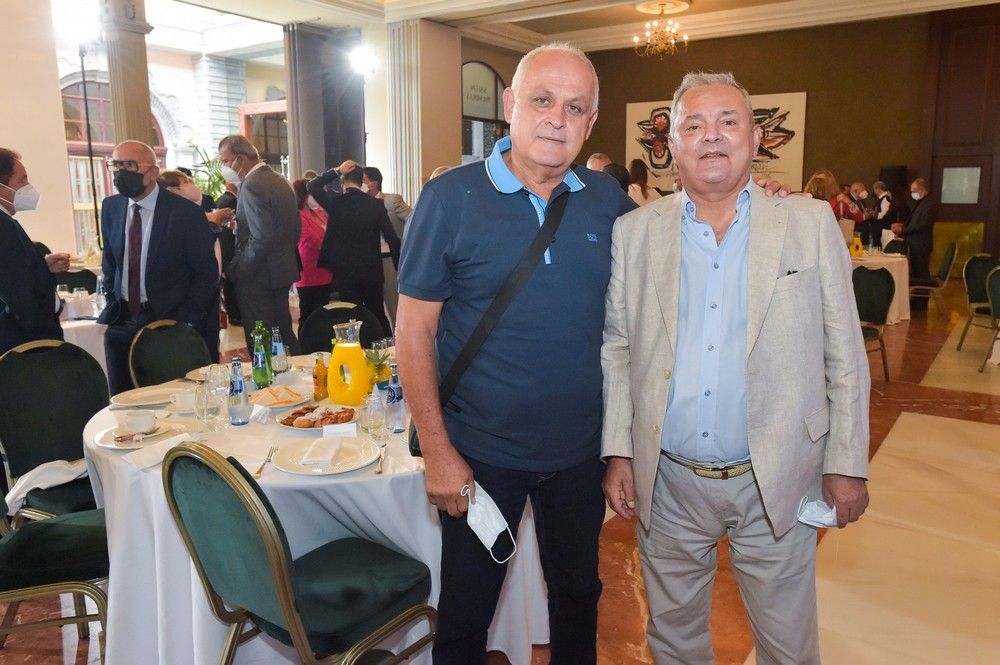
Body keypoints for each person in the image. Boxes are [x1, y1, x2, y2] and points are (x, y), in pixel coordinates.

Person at [601, 72, 871, 665]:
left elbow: (844, 354)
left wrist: (847, 462)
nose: (712, 136)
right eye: (693, 125)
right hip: (667, 484)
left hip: (774, 477)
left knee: (788, 647)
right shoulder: (634, 233)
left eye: (728, 122)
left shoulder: (807, 223)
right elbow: (618, 349)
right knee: (672, 642)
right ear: (672, 146)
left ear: (755, 141)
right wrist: (619, 450)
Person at [396, 43, 636, 664]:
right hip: (480, 458)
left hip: (579, 455)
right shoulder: (449, 198)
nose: (557, 117)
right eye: (542, 99)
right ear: (510, 106)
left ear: (590, 123)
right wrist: (439, 453)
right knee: (466, 620)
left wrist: (755, 197)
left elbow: (681, 241)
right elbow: (414, 333)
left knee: (579, 601)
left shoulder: (608, 201)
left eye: (575, 107)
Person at [98, 141, 219, 394]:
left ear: (153, 172)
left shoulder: (183, 212)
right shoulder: (112, 207)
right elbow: (110, 260)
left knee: (169, 398)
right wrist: (112, 297)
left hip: (167, 320)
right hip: (122, 319)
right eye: (115, 165)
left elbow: (206, 273)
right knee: (122, 400)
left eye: (129, 165)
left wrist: (185, 319)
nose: (121, 172)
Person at [218, 134, 301, 354]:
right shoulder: (278, 180)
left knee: (262, 342)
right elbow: (287, 227)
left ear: (240, 159)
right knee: (282, 335)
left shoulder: (252, 184)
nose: (224, 167)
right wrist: (238, 226)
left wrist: (238, 269)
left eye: (225, 161)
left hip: (259, 276)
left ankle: (267, 386)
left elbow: (262, 237)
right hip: (279, 270)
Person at [157, 169, 234, 362]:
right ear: (173, 191)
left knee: (210, 349)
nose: (193, 185)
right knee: (194, 354)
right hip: (191, 298)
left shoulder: (199, 211)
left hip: (209, 294)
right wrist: (212, 223)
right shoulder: (173, 217)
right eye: (186, 182)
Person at [0, 148, 68, 355]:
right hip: (24, 343)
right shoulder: (4, 226)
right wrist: (44, 337)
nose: (28, 187)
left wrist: (41, 265)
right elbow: (17, 294)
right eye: (22, 180)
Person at [316, 165, 399, 335]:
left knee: (350, 315)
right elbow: (392, 238)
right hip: (371, 270)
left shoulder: (335, 203)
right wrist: (399, 269)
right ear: (362, 181)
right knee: (377, 314)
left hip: (345, 272)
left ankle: (355, 351)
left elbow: (312, 186)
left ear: (342, 181)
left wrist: (337, 170)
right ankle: (386, 349)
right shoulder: (376, 204)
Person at [363, 165, 412, 328]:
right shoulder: (360, 204)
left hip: (388, 258)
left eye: (364, 180)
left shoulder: (391, 200)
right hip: (369, 260)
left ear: (374, 183)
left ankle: (400, 337)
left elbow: (414, 219)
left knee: (394, 304)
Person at [290, 179, 333, 326]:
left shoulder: (318, 213)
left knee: (323, 313)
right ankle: (305, 345)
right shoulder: (299, 215)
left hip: (324, 270)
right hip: (309, 271)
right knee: (309, 313)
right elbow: (312, 240)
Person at [894, 176, 937, 280]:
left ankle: (922, 295)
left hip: (921, 245)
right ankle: (918, 295)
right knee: (916, 272)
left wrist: (903, 230)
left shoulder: (929, 203)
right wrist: (902, 225)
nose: (912, 194)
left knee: (921, 274)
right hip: (915, 244)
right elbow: (914, 220)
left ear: (921, 190)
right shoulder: (922, 202)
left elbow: (922, 224)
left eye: (914, 191)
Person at [849, 180, 878, 246]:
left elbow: (864, 212)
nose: (864, 192)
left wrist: (869, 213)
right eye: (862, 190)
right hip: (855, 231)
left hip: (864, 231)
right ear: (855, 191)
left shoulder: (861, 201)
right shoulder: (849, 200)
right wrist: (863, 216)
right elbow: (852, 216)